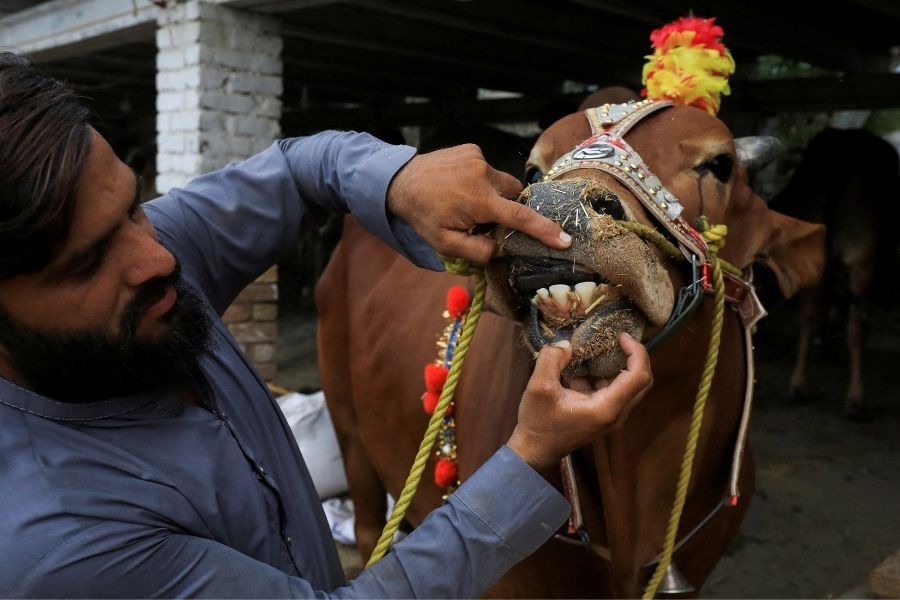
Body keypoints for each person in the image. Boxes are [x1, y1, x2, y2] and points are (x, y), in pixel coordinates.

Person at [0, 52, 652, 598]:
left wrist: (398, 179)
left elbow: (296, 171)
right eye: (87, 264)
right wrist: (529, 456)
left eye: (135, 208)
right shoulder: (60, 542)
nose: (162, 257)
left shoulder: (144, 263)